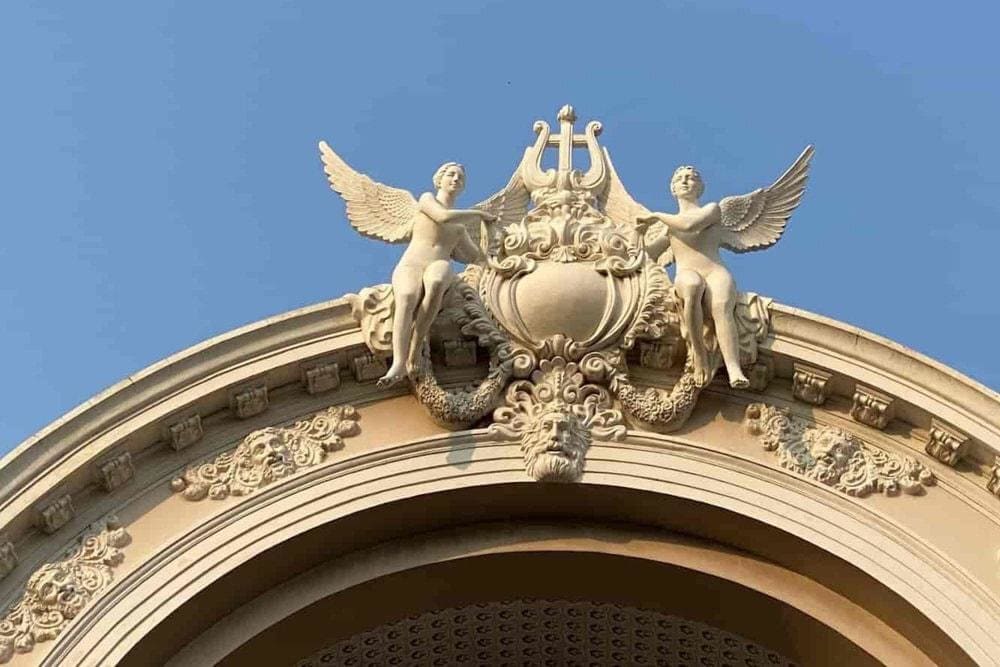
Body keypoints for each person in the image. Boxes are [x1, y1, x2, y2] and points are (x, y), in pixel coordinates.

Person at [380, 163, 496, 388]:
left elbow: (477, 258)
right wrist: (479, 214)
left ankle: (414, 350)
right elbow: (442, 217)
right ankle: (399, 361)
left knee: (436, 283)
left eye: (460, 177)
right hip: (412, 264)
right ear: (439, 180)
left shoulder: (460, 230)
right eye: (451, 175)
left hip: (438, 263)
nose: (456, 179)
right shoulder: (426, 200)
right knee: (405, 297)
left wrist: (490, 240)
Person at [637, 166, 749, 388]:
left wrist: (657, 216)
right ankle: (699, 355)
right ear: (673, 189)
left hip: (715, 271)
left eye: (691, 178)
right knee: (691, 287)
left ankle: (733, 367)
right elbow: (646, 256)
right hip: (687, 273)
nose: (685, 181)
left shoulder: (712, 210)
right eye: (680, 178)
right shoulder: (668, 229)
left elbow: (689, 224)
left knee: (721, 307)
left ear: (700, 187)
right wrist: (639, 234)